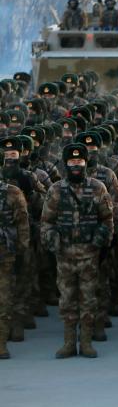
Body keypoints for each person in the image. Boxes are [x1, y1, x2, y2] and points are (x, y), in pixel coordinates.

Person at [40, 143, 113, 359]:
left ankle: (87, 342)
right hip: (64, 255)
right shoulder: (55, 190)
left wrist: (101, 239)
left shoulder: (98, 188)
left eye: (79, 162)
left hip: (89, 254)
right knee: (67, 299)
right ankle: (69, 342)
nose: (75, 166)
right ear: (65, 164)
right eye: (71, 162)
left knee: (89, 299)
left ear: (86, 163)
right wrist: (53, 241)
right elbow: (47, 221)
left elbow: (107, 219)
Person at [0, 141, 30, 359]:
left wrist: (21, 250)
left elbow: (22, 223)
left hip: (5, 252)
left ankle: (1, 343)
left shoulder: (12, 192)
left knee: (4, 298)